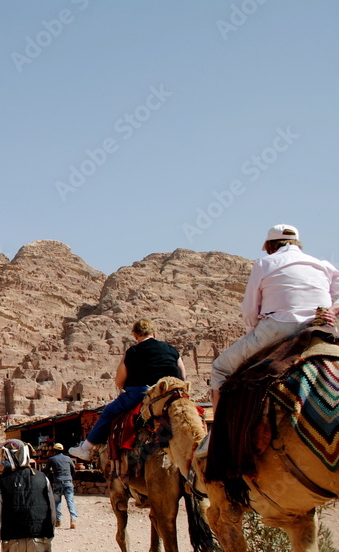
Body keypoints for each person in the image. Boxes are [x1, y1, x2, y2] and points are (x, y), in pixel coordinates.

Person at [209, 224, 339, 414]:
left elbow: (250, 308)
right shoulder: (322, 264)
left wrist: (252, 334)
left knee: (219, 368)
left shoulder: (265, 264)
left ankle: (218, 436)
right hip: (322, 327)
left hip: (279, 328)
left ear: (270, 246)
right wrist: (333, 311)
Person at [70, 318, 186, 461]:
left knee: (109, 412)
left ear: (136, 336)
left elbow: (119, 382)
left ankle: (85, 448)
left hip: (143, 393)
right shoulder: (172, 350)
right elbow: (183, 375)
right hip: (172, 393)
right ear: (154, 334)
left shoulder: (132, 351)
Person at [43, 444, 78, 530]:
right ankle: (73, 519)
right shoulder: (68, 458)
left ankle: (58, 521)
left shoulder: (52, 459)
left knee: (57, 502)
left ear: (54, 451)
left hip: (57, 482)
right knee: (70, 501)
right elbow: (73, 470)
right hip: (68, 482)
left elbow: (46, 471)